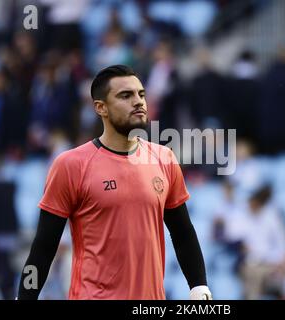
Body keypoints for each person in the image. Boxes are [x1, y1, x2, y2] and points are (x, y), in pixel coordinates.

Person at [17, 65, 212, 300]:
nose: (138, 102)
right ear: (101, 108)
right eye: (125, 95)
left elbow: (182, 233)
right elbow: (44, 246)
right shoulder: (71, 165)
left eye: (141, 94)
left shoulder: (164, 158)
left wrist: (199, 287)